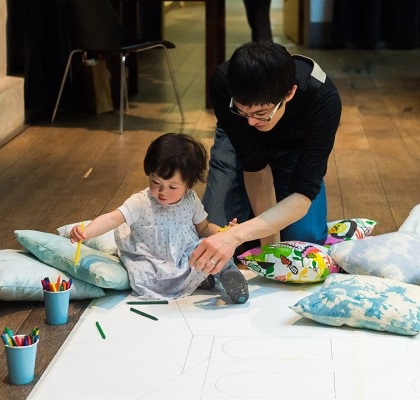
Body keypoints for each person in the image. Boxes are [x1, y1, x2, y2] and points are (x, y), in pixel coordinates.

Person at [192, 41, 342, 276]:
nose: (251, 121)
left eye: (261, 113)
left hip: (295, 150)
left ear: (289, 93)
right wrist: (258, 240)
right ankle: (254, 220)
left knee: (305, 239)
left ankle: (254, 220)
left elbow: (303, 194)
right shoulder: (223, 80)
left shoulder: (323, 98)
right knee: (211, 232)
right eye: (242, 111)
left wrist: (246, 239)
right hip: (237, 147)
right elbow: (255, 166)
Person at [70, 133, 249, 303]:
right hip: (152, 259)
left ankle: (228, 275)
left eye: (172, 187)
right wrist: (86, 232)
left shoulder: (190, 199)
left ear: (189, 184)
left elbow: (203, 228)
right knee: (141, 273)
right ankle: (201, 279)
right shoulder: (141, 202)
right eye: (155, 182)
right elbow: (112, 219)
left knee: (208, 250)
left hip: (186, 255)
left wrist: (224, 233)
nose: (162, 192)